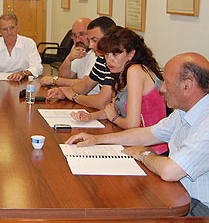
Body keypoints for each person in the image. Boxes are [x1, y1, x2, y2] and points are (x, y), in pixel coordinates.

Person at [66, 53, 209, 216]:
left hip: (205, 213)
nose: (162, 89)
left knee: (125, 219)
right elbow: (147, 134)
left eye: (167, 83)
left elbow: (170, 171)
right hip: (181, 194)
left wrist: (144, 154)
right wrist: (97, 140)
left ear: (187, 85)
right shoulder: (187, 110)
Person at [71, 26, 168, 154]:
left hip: (152, 149)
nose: (109, 60)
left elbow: (132, 123)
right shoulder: (121, 71)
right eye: (106, 54)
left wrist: (114, 118)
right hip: (133, 142)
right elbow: (114, 108)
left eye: (116, 54)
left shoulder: (136, 71)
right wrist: (90, 116)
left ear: (131, 54)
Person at [47, 16, 116, 108]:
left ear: (109, 38)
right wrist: (64, 91)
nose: (91, 46)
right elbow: (86, 85)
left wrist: (73, 96)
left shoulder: (116, 63)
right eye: (90, 40)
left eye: (94, 40)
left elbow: (102, 102)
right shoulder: (102, 59)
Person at [0, 13, 43, 81]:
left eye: (12, 28)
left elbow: (37, 67)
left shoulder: (29, 43)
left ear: (18, 28)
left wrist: (23, 73)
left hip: (23, 82)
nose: (9, 32)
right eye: (5, 29)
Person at [39, 17, 100, 94]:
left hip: (91, 99)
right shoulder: (81, 50)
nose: (77, 40)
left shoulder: (97, 55)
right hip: (81, 96)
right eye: (74, 36)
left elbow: (85, 83)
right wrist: (69, 59)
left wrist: (54, 80)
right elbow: (64, 77)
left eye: (82, 35)